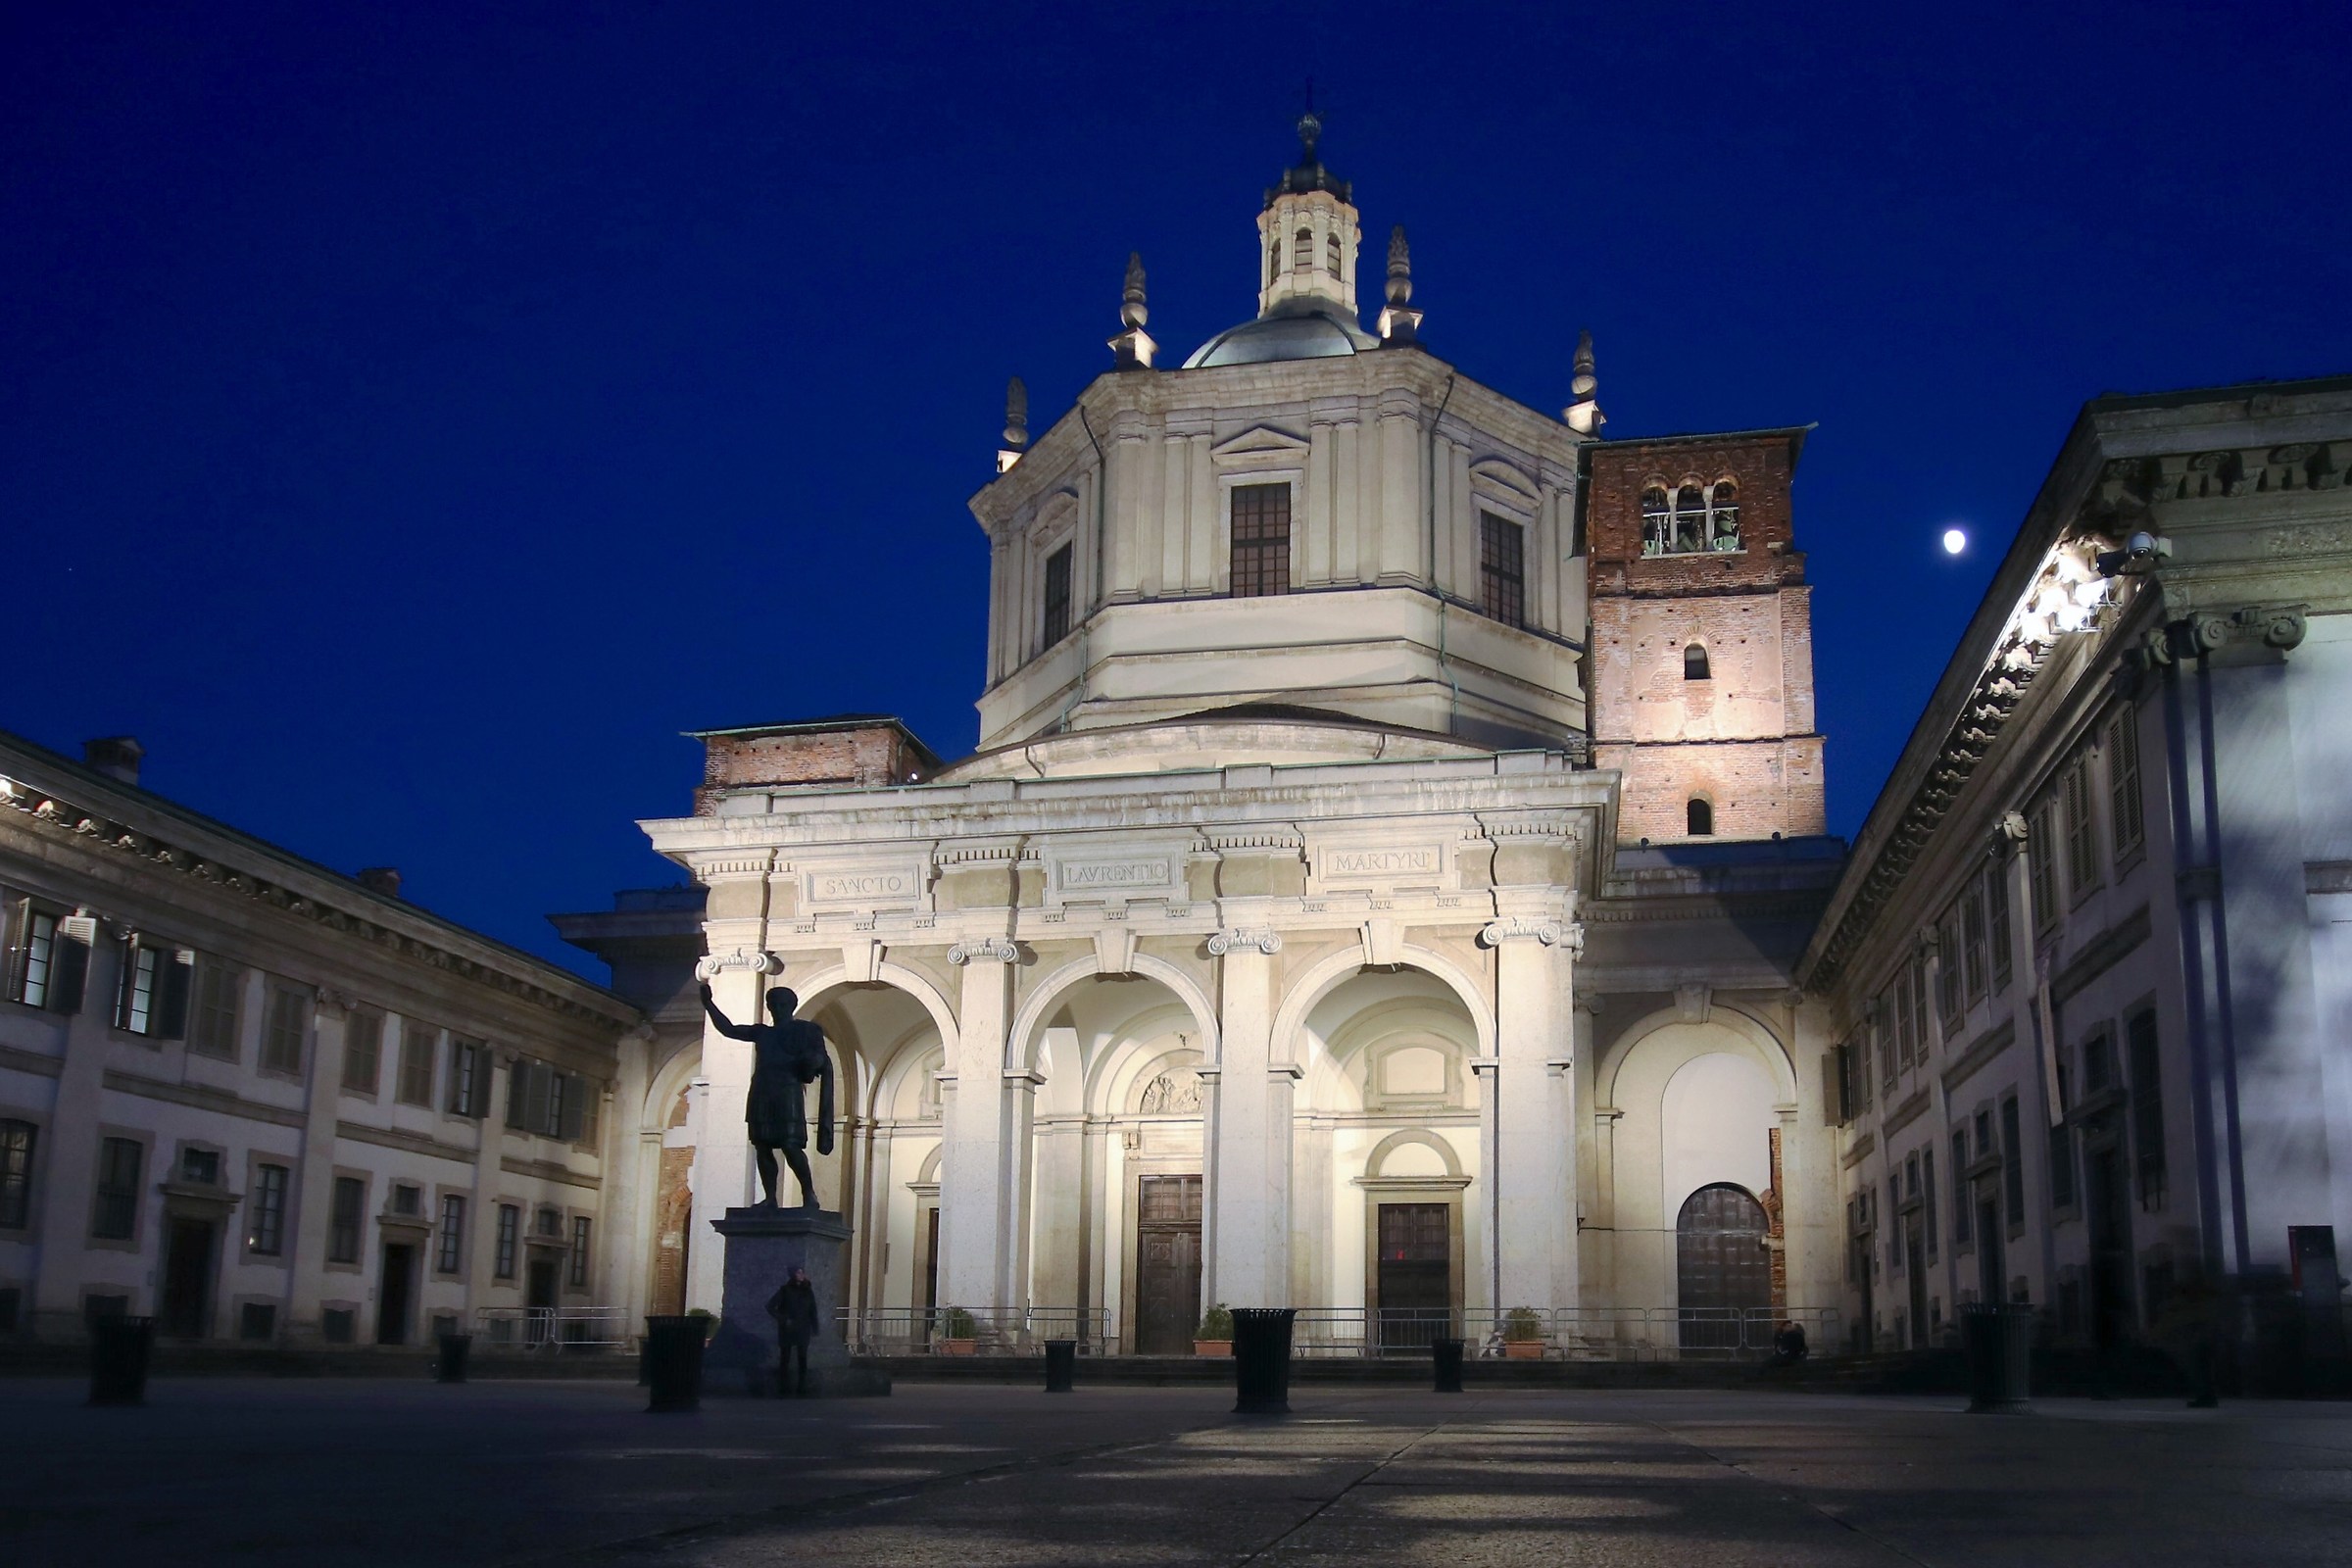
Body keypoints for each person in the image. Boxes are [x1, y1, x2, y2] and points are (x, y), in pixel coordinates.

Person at [700, 981, 835, 1208]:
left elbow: (819, 1057)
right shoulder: (762, 1033)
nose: (777, 1008)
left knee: (790, 1145)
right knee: (762, 1145)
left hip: (787, 1091)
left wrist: (811, 1062)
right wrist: (709, 1004)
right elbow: (729, 1029)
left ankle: (809, 1193)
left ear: (791, 1006)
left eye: (782, 1004)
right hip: (762, 1091)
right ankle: (770, 1197)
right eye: (773, 1004)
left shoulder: (805, 1030)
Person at [768, 1265, 821, 1396]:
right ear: (793, 1275)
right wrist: (783, 1319)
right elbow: (770, 1306)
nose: (801, 1275)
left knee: (802, 1359)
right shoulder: (785, 1290)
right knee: (785, 1358)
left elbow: (812, 1310)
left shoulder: (808, 1291)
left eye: (802, 1272)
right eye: (798, 1272)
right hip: (788, 1328)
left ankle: (801, 1388)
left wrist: (815, 1327)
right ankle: (784, 1388)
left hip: (803, 1328)